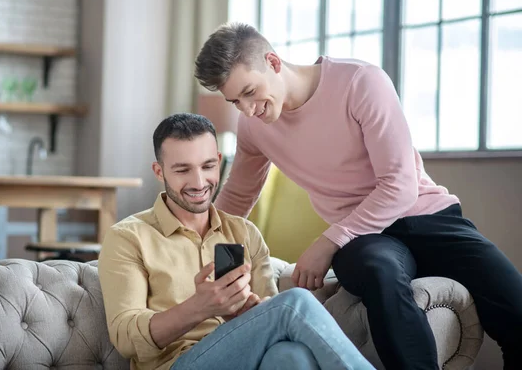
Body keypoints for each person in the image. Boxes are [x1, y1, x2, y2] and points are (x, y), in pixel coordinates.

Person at [193, 22, 522, 370]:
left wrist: (326, 242)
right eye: (235, 101)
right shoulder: (253, 127)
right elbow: (238, 197)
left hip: (428, 218)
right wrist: (202, 252)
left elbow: (399, 185)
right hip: (366, 239)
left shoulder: (360, 81)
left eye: (250, 91)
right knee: (379, 272)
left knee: (516, 312)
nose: (247, 109)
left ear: (273, 62)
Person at [98, 113, 374, 370]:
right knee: (294, 304)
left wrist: (246, 313)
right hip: (175, 364)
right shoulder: (128, 237)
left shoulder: (244, 233)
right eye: (182, 170)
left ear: (218, 161)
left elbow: (272, 322)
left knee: (290, 356)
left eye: (207, 166)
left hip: (244, 357)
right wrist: (199, 308)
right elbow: (125, 338)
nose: (198, 182)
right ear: (159, 172)